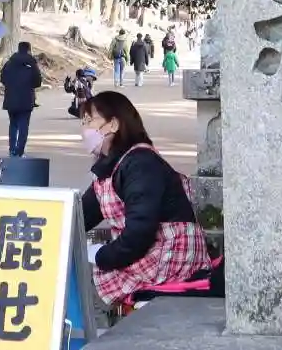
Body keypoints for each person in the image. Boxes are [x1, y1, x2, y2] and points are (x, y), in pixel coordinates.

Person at [77, 91, 208, 311]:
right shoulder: (110, 167)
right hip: (143, 253)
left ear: (113, 124)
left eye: (89, 121)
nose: (84, 129)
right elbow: (81, 214)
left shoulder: (140, 164)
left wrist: (101, 255)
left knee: (90, 273)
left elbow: (140, 233)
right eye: (83, 122)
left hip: (167, 260)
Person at [0, 41, 43, 157]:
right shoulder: (31, 63)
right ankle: (19, 151)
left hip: (11, 99)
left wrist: (12, 85)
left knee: (13, 124)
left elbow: (3, 79)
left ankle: (12, 149)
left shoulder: (9, 63)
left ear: (18, 49)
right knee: (23, 126)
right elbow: (37, 82)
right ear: (29, 50)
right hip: (26, 100)